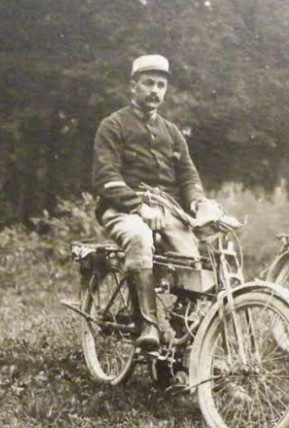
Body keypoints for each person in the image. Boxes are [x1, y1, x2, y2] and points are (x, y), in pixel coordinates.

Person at [92, 55, 220, 349]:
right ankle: (147, 324)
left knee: (193, 258)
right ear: (133, 86)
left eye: (161, 85)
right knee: (139, 237)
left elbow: (188, 176)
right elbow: (106, 177)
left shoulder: (172, 132)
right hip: (122, 208)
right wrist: (139, 206)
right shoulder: (113, 125)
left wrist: (199, 203)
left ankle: (181, 326)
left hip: (168, 211)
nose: (154, 90)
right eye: (148, 83)